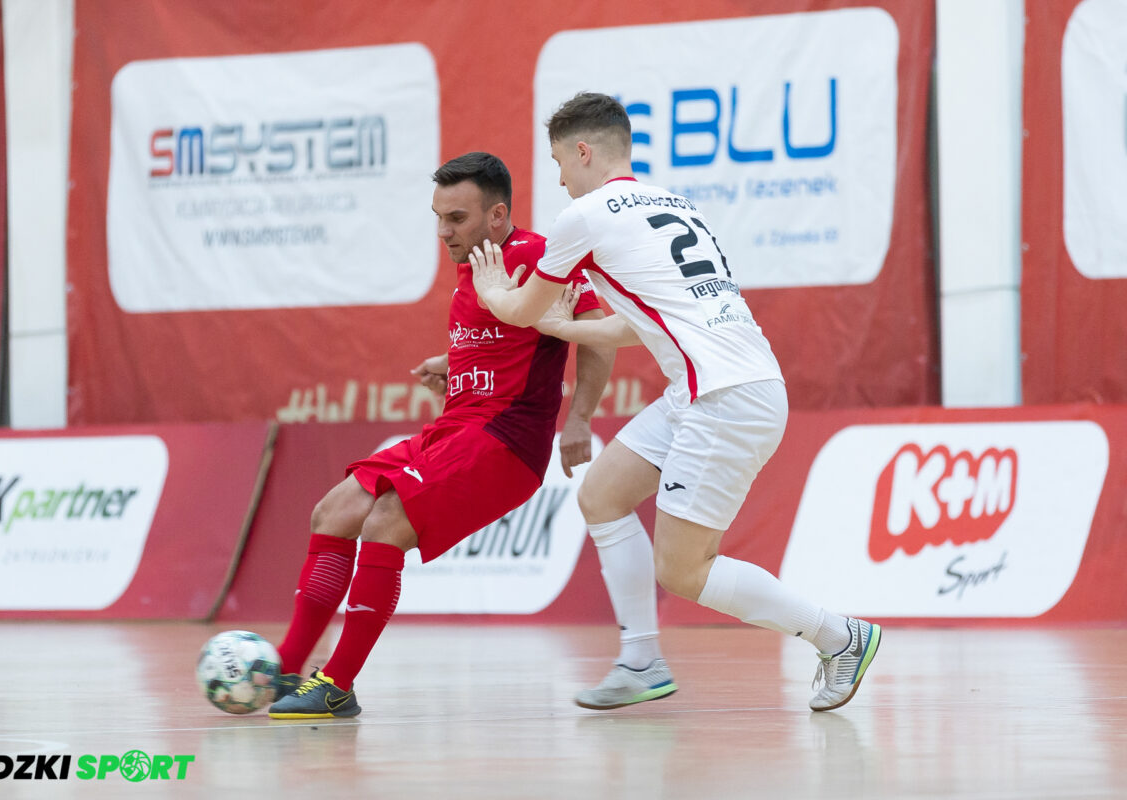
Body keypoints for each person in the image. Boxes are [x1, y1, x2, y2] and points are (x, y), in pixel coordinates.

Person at [470, 93, 881, 712]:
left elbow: (520, 309)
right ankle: (640, 661)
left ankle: (839, 636)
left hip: (722, 398)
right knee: (602, 495)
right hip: (714, 388)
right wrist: (564, 329)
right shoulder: (672, 203)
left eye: (558, 160)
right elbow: (635, 326)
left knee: (684, 571)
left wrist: (492, 289)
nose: (557, 177)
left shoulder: (584, 215)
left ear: (583, 151)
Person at [267, 151, 612, 719]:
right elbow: (511, 341)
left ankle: (337, 684)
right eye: (438, 216)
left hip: (506, 442)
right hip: (455, 428)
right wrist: (453, 366)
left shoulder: (535, 253)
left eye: (456, 218)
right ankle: (283, 669)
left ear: (498, 215)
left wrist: (578, 419)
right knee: (331, 513)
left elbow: (596, 334)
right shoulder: (474, 262)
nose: (443, 232)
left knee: (385, 522)